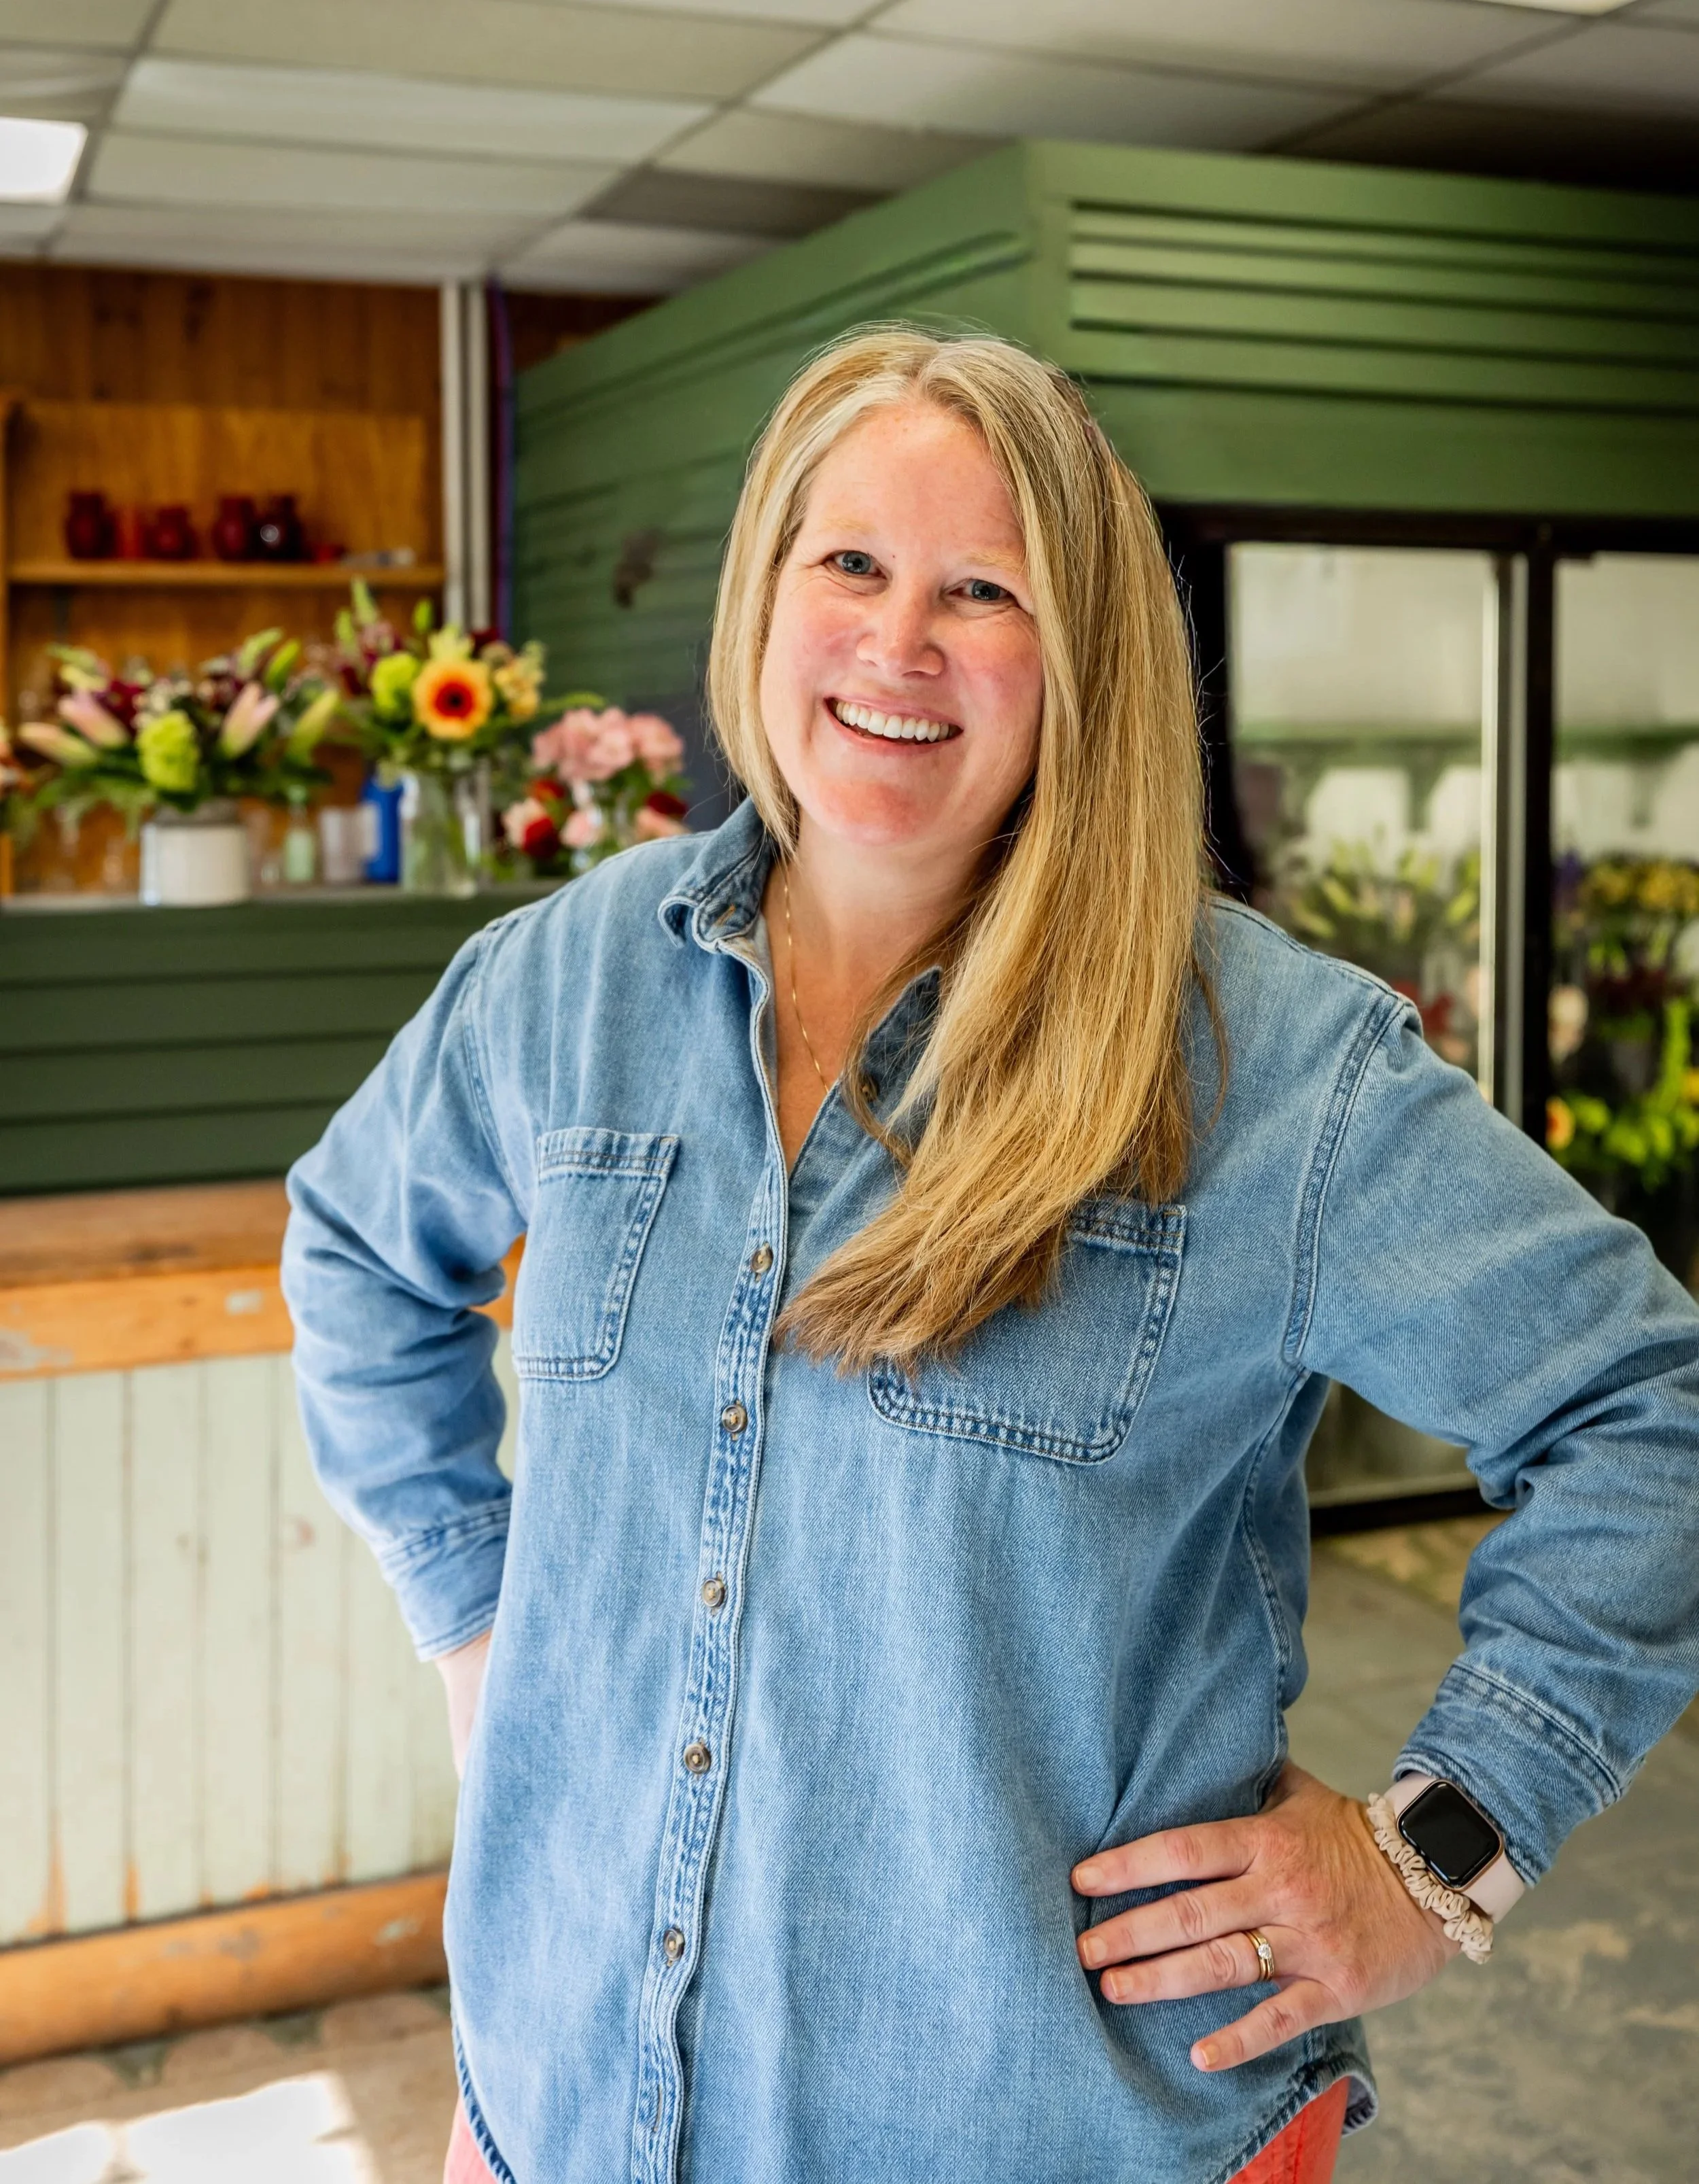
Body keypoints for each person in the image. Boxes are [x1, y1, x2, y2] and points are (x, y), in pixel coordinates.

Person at [283, 326, 1699, 2184]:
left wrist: (1433, 1855)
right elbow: (355, 1250)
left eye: (981, 589)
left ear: (1081, 655)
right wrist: (474, 1616)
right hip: (555, 2100)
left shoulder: (1263, 1060)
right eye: (849, 564)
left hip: (1046, 2129)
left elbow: (1645, 1415)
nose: (896, 644)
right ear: (763, 594)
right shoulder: (563, 982)